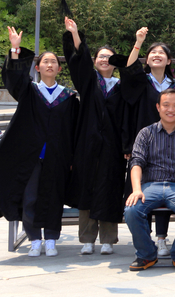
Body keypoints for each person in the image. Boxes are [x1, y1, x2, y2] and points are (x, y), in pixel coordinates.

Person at [0, 27, 79, 257]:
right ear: (37, 67)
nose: (50, 65)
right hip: (32, 156)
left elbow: (73, 130)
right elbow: (14, 79)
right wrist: (15, 49)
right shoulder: (29, 91)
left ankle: (51, 238)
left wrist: (72, 157)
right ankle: (34, 238)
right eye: (45, 61)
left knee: (54, 197)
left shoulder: (68, 97)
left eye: (54, 62)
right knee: (30, 197)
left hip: (58, 156)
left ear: (59, 68)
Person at [112, 27, 175, 257]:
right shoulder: (140, 81)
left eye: (161, 53)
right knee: (142, 190)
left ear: (169, 60)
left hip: (172, 144)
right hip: (143, 145)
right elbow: (128, 72)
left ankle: (162, 238)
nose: (157, 55)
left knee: (167, 184)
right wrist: (138, 42)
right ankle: (144, 239)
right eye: (152, 52)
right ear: (146, 59)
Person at [63, 17, 125, 256]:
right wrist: (75, 34)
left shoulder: (122, 87)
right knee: (86, 188)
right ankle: (87, 239)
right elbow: (79, 61)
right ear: (94, 60)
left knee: (110, 188)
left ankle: (108, 239)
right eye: (101, 56)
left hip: (113, 146)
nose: (105, 60)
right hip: (87, 145)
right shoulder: (89, 82)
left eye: (109, 57)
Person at [124, 88, 175, 272]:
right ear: (158, 107)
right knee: (132, 210)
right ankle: (146, 254)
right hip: (151, 186)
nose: (170, 109)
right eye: (166, 105)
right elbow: (136, 162)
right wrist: (137, 190)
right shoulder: (145, 133)